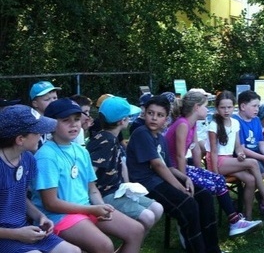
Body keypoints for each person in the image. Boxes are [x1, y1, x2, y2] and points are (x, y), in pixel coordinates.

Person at [32, 98, 145, 253]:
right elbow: (50, 203)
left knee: (136, 230)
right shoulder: (46, 155)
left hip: (85, 209)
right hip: (58, 216)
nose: (74, 124)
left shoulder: (81, 151)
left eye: (77, 119)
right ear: (51, 124)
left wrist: (101, 206)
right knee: (104, 245)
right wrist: (91, 210)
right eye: (66, 120)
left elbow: (92, 189)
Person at [127, 95, 221, 253]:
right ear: (144, 113)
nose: (154, 118)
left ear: (165, 118)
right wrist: (179, 187)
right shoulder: (141, 133)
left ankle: (212, 249)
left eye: (160, 115)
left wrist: (185, 179)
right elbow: (158, 165)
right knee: (188, 205)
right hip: (146, 185)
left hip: (161, 180)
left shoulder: (160, 138)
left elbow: (169, 166)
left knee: (203, 195)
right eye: (151, 113)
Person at [164, 89, 263, 237]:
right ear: (197, 107)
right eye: (205, 106)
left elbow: (196, 148)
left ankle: (234, 221)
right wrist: (186, 179)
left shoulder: (192, 124)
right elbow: (178, 156)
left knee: (218, 179)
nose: (207, 109)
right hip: (172, 169)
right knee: (209, 187)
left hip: (181, 167)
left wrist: (199, 171)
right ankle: (204, 226)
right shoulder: (183, 124)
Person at [0, 104, 80, 253]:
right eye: (37, 132)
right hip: (5, 237)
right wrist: (16, 234)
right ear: (20, 139)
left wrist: (40, 216)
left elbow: (20, 197)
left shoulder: (28, 159)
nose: (42, 135)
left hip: (24, 229)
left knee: (73, 251)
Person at [86, 96, 163, 234]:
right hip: (105, 195)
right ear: (123, 121)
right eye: (128, 116)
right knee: (148, 216)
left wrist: (127, 186)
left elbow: (121, 163)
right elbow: (89, 172)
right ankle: (132, 242)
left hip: (117, 189)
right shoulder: (105, 141)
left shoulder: (110, 137)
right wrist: (98, 203)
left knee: (157, 209)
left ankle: (132, 243)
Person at [206, 91, 264, 218]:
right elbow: (213, 151)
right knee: (253, 163)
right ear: (217, 108)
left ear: (234, 107)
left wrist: (240, 155)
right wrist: (216, 175)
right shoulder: (214, 125)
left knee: (251, 180)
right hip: (216, 163)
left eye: (229, 107)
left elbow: (238, 147)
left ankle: (247, 217)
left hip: (229, 161)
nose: (226, 111)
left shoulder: (235, 123)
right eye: (222, 107)